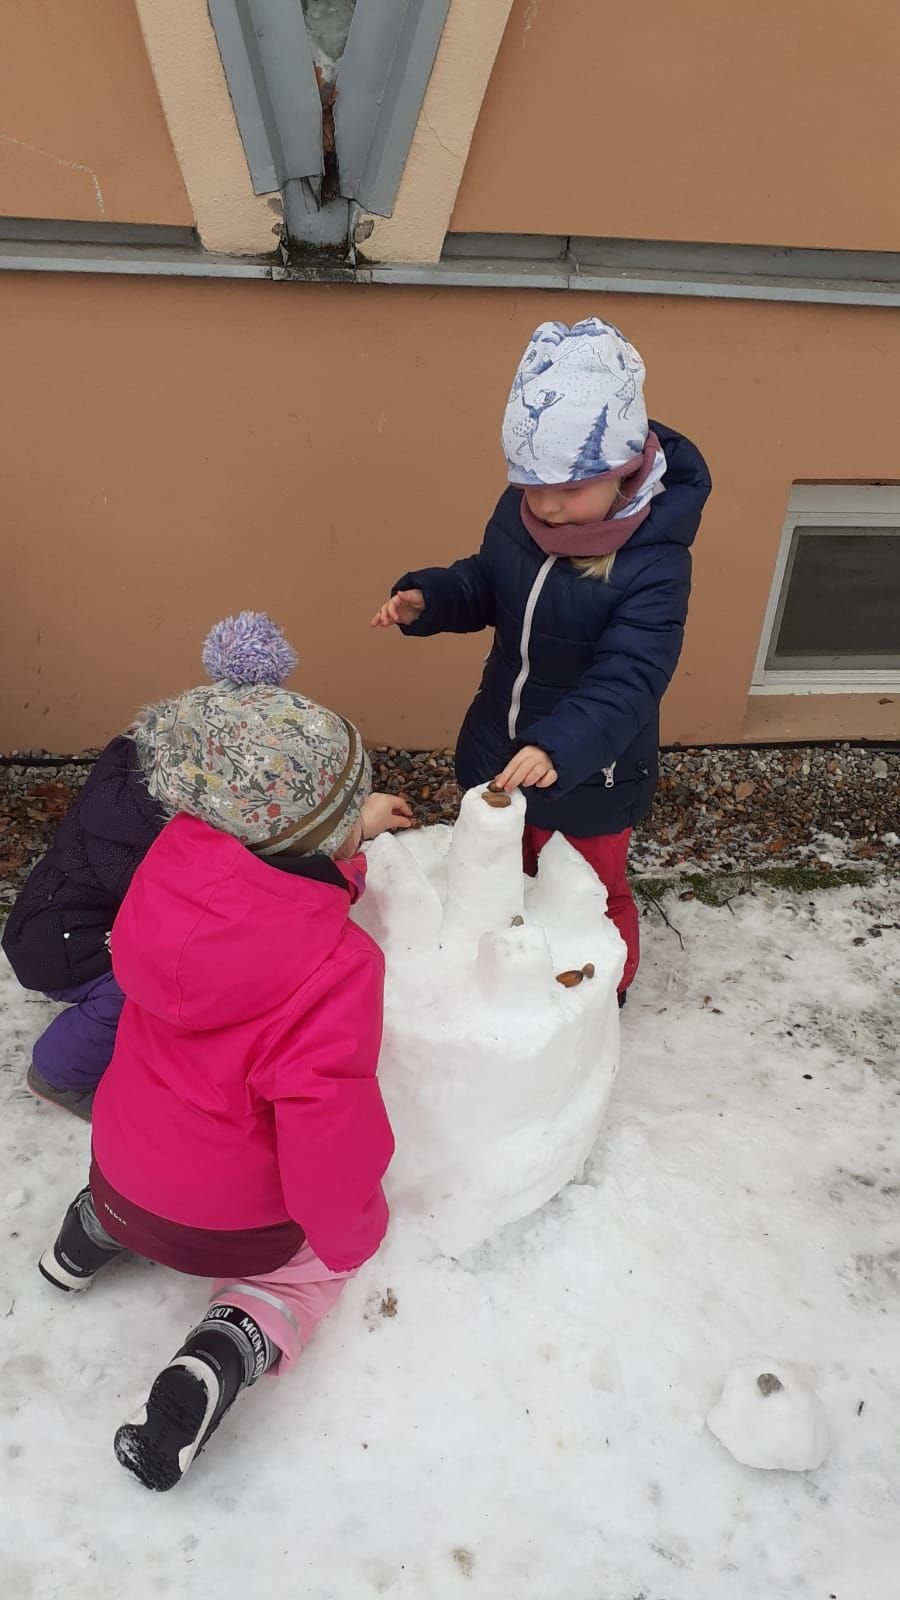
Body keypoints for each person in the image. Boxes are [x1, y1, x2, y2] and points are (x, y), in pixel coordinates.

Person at [37, 614, 411, 1490]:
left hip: (121, 1174)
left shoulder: (167, 879)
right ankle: (225, 1346)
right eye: (348, 811)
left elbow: (266, 887)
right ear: (319, 835)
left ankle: (87, 1237)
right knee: (302, 1272)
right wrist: (349, 1228)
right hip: (234, 1227)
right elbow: (326, 1123)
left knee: (142, 1165)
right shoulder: (340, 967)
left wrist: (345, 837)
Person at [372, 318, 711, 1003]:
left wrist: (559, 747)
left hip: (591, 769)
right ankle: (516, 985)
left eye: (570, 489)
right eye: (533, 487)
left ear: (622, 473)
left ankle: (595, 998)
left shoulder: (654, 563)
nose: (549, 507)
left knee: (585, 888)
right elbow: (489, 581)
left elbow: (631, 677)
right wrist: (433, 599)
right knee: (507, 873)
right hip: (499, 743)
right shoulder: (522, 512)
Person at [5, 613, 300, 1118]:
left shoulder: (136, 778)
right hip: (58, 940)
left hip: (62, 918)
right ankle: (59, 1075)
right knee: (140, 985)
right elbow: (177, 913)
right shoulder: (138, 837)